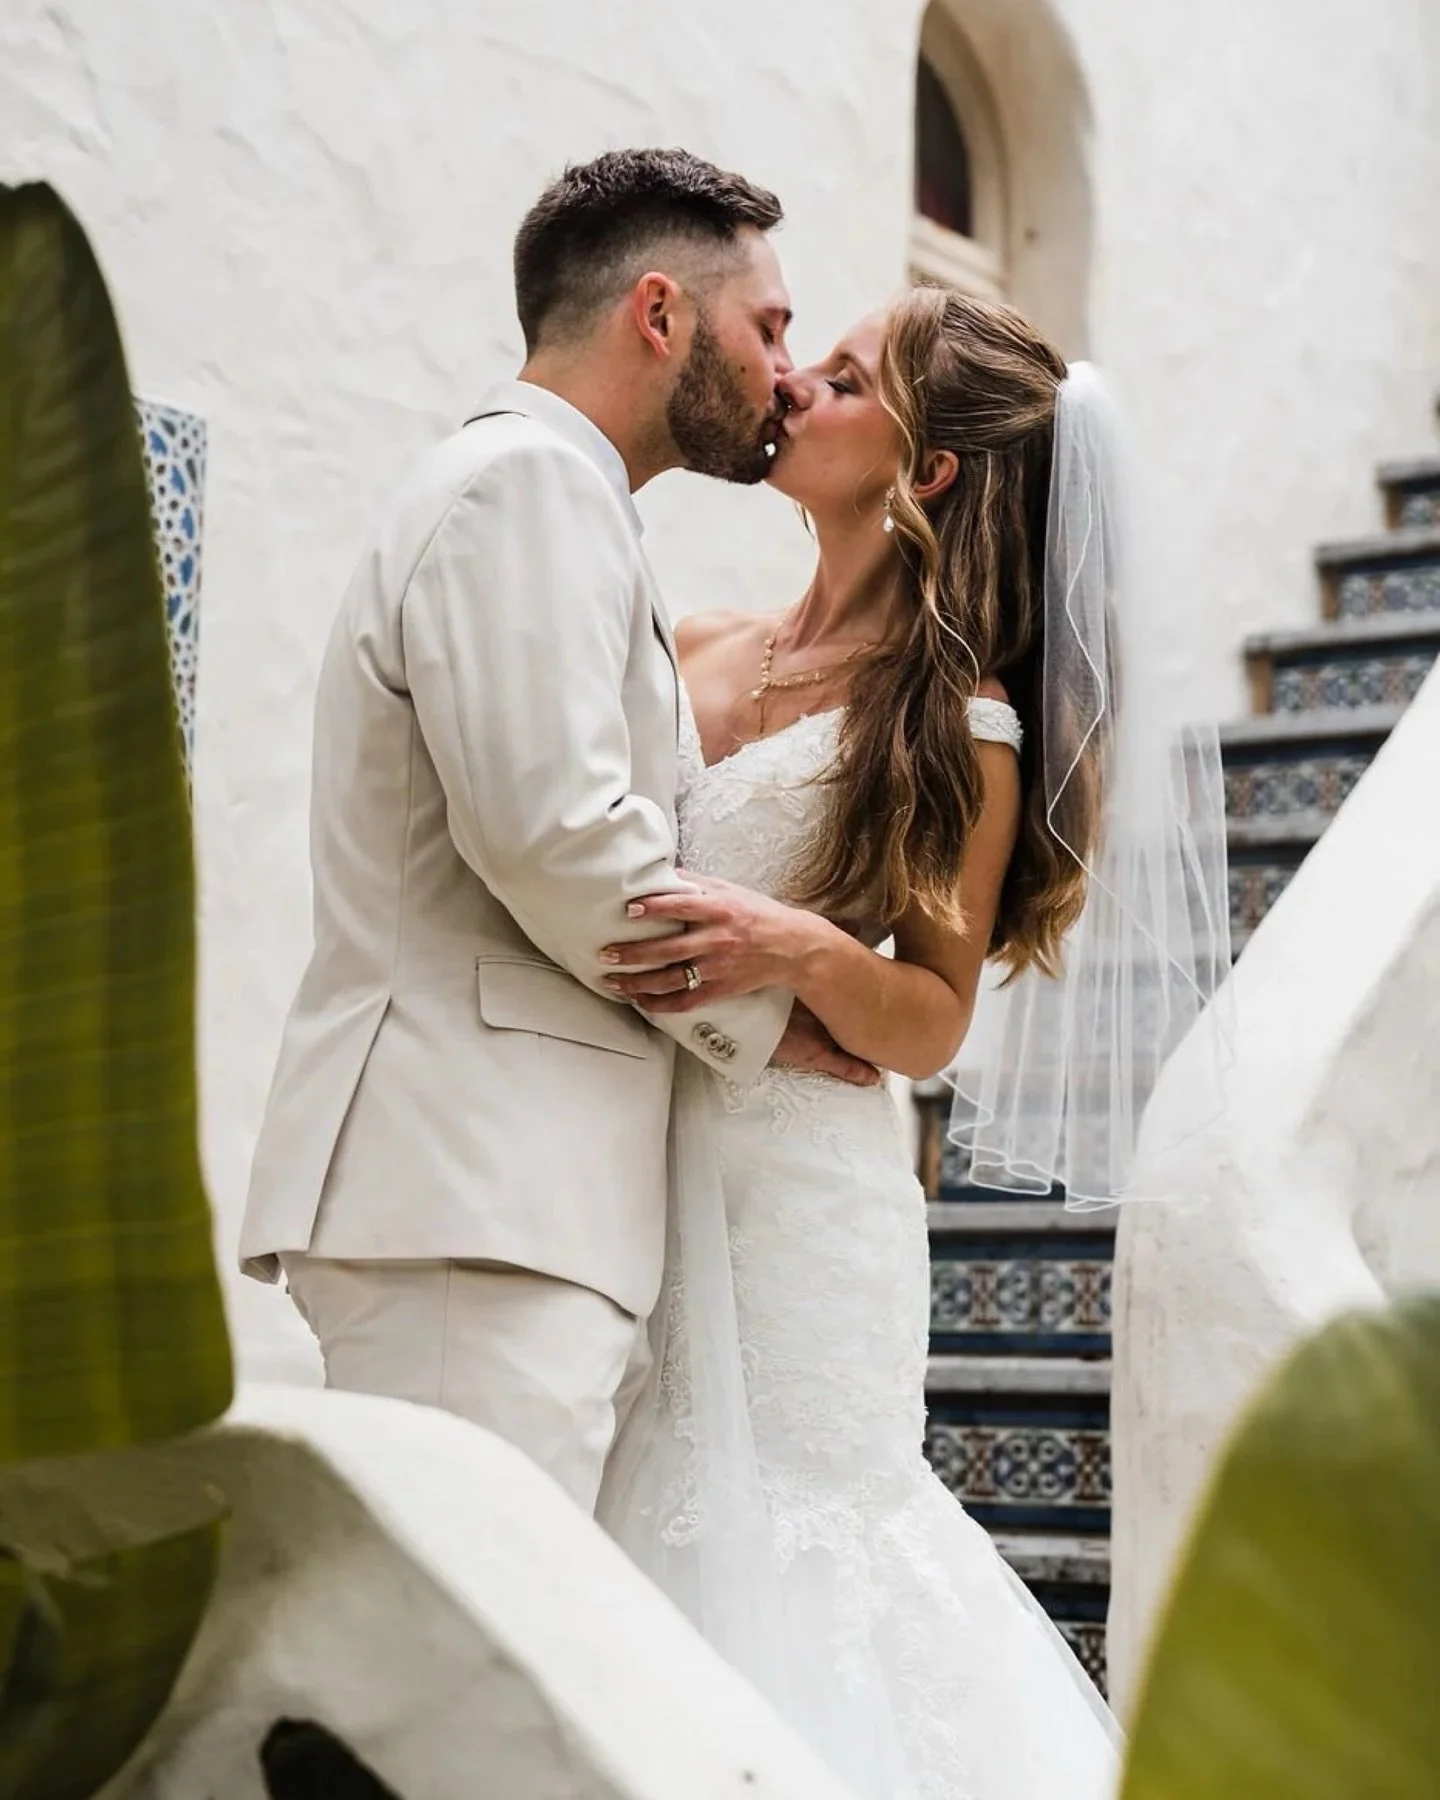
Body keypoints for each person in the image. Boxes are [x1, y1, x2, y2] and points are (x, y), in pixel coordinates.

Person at [597, 288, 1227, 1798]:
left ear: (926, 468)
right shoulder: (699, 641)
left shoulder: (958, 725)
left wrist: (795, 948)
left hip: (805, 1204)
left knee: (806, 1543)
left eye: (843, 377)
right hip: (630, 1154)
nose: (793, 382)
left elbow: (933, 1016)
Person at [238, 148, 878, 1515]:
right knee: (468, 1667)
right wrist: (773, 1030)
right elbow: (563, 844)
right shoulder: (520, 488)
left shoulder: (557, 497)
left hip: (506, 1196)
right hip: (476, 1190)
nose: (783, 372)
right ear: (659, 315)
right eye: (765, 327)